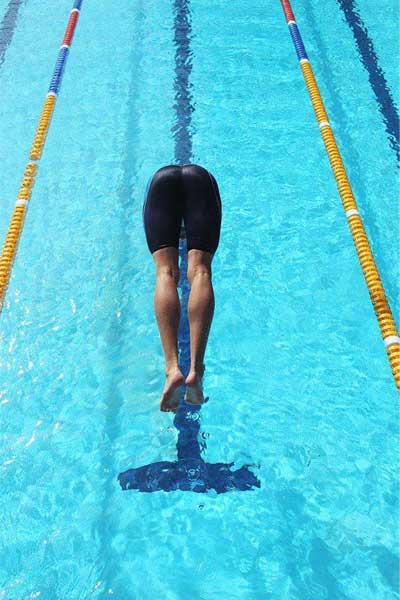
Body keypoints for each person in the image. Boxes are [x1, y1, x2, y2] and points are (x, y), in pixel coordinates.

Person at [143, 163, 222, 412]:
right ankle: (196, 370)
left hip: (160, 182)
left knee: (165, 272)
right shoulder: (205, 179)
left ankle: (172, 369)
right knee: (200, 271)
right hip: (201, 180)